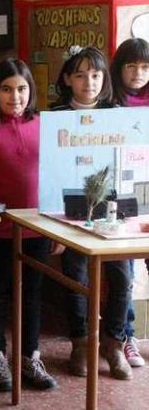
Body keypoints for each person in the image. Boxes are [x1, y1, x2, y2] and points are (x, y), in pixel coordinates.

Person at [0, 59, 57, 391]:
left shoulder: (43, 125)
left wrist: (58, 228)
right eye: (6, 89)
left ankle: (30, 357)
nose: (14, 97)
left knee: (32, 295)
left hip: (36, 229)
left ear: (30, 92)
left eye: (21, 89)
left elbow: (55, 178)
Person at [51, 45, 133, 380]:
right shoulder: (54, 117)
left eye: (96, 75)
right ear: (68, 78)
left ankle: (113, 343)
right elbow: (51, 172)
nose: (90, 82)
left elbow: (131, 164)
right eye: (81, 75)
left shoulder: (118, 114)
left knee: (123, 276)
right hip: (68, 212)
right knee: (76, 276)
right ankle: (81, 342)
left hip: (114, 212)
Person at [110, 38, 149, 368]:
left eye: (145, 67)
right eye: (131, 65)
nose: (139, 73)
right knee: (125, 271)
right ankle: (126, 336)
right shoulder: (111, 104)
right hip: (121, 198)